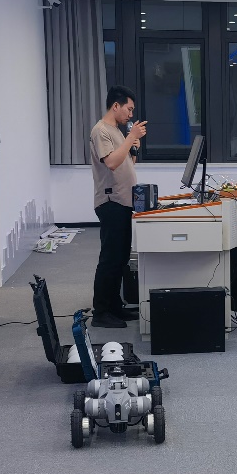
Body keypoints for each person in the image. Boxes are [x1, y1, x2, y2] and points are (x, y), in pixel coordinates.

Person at [90, 86, 147, 328]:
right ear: (116, 106)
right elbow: (112, 163)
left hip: (123, 202)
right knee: (110, 259)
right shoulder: (101, 131)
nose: (131, 115)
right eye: (129, 109)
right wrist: (131, 137)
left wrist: (133, 147)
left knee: (121, 258)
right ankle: (101, 312)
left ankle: (114, 306)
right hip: (111, 202)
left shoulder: (116, 131)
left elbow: (126, 163)